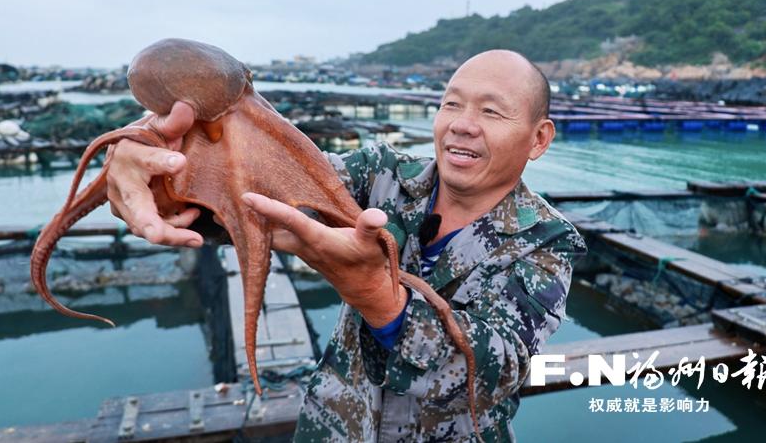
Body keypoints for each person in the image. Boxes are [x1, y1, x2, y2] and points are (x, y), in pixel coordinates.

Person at [105, 49, 587, 442]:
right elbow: (263, 198)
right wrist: (149, 163)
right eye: (451, 104)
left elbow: (493, 374)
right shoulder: (379, 173)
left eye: (491, 111)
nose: (462, 123)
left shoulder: (546, 242)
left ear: (538, 138)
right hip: (332, 429)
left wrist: (377, 297)